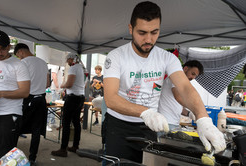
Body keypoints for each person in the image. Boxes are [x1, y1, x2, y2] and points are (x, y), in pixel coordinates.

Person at [103, 1, 226, 163]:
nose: (148, 39)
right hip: (118, 127)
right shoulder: (116, 56)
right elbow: (111, 98)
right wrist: (145, 112)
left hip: (150, 128)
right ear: (131, 29)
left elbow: (185, 88)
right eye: (142, 32)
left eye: (154, 32)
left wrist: (203, 119)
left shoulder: (167, 58)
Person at [0, 30, 30, 160]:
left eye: (3, 49)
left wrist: (1, 93)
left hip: (9, 114)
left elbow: (25, 92)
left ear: (9, 47)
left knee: (5, 156)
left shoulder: (19, 65)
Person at [14, 43, 49, 165]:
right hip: (41, 100)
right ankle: (32, 158)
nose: (19, 58)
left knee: (17, 128)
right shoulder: (43, 62)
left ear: (21, 52)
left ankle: (12, 157)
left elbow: (17, 83)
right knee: (36, 130)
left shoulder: (23, 63)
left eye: (18, 55)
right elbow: (48, 83)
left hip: (28, 99)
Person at [51, 53, 85, 157]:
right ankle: (75, 146)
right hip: (80, 96)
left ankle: (63, 149)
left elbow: (69, 84)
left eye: (68, 60)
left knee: (65, 123)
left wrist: (62, 85)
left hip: (73, 98)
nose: (67, 62)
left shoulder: (74, 68)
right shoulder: (82, 68)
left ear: (72, 59)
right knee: (76, 121)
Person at [158, 60, 203, 129]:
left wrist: (189, 114)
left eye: (195, 76)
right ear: (185, 69)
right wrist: (195, 109)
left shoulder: (180, 82)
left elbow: (178, 105)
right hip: (166, 122)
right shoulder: (175, 77)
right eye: (193, 73)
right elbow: (178, 97)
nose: (193, 78)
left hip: (172, 122)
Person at [46, 64, 63, 131]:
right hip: (53, 89)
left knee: (54, 107)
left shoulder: (59, 65)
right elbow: (53, 75)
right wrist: (57, 86)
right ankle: (47, 124)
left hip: (55, 90)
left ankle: (52, 122)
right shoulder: (56, 65)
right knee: (50, 107)